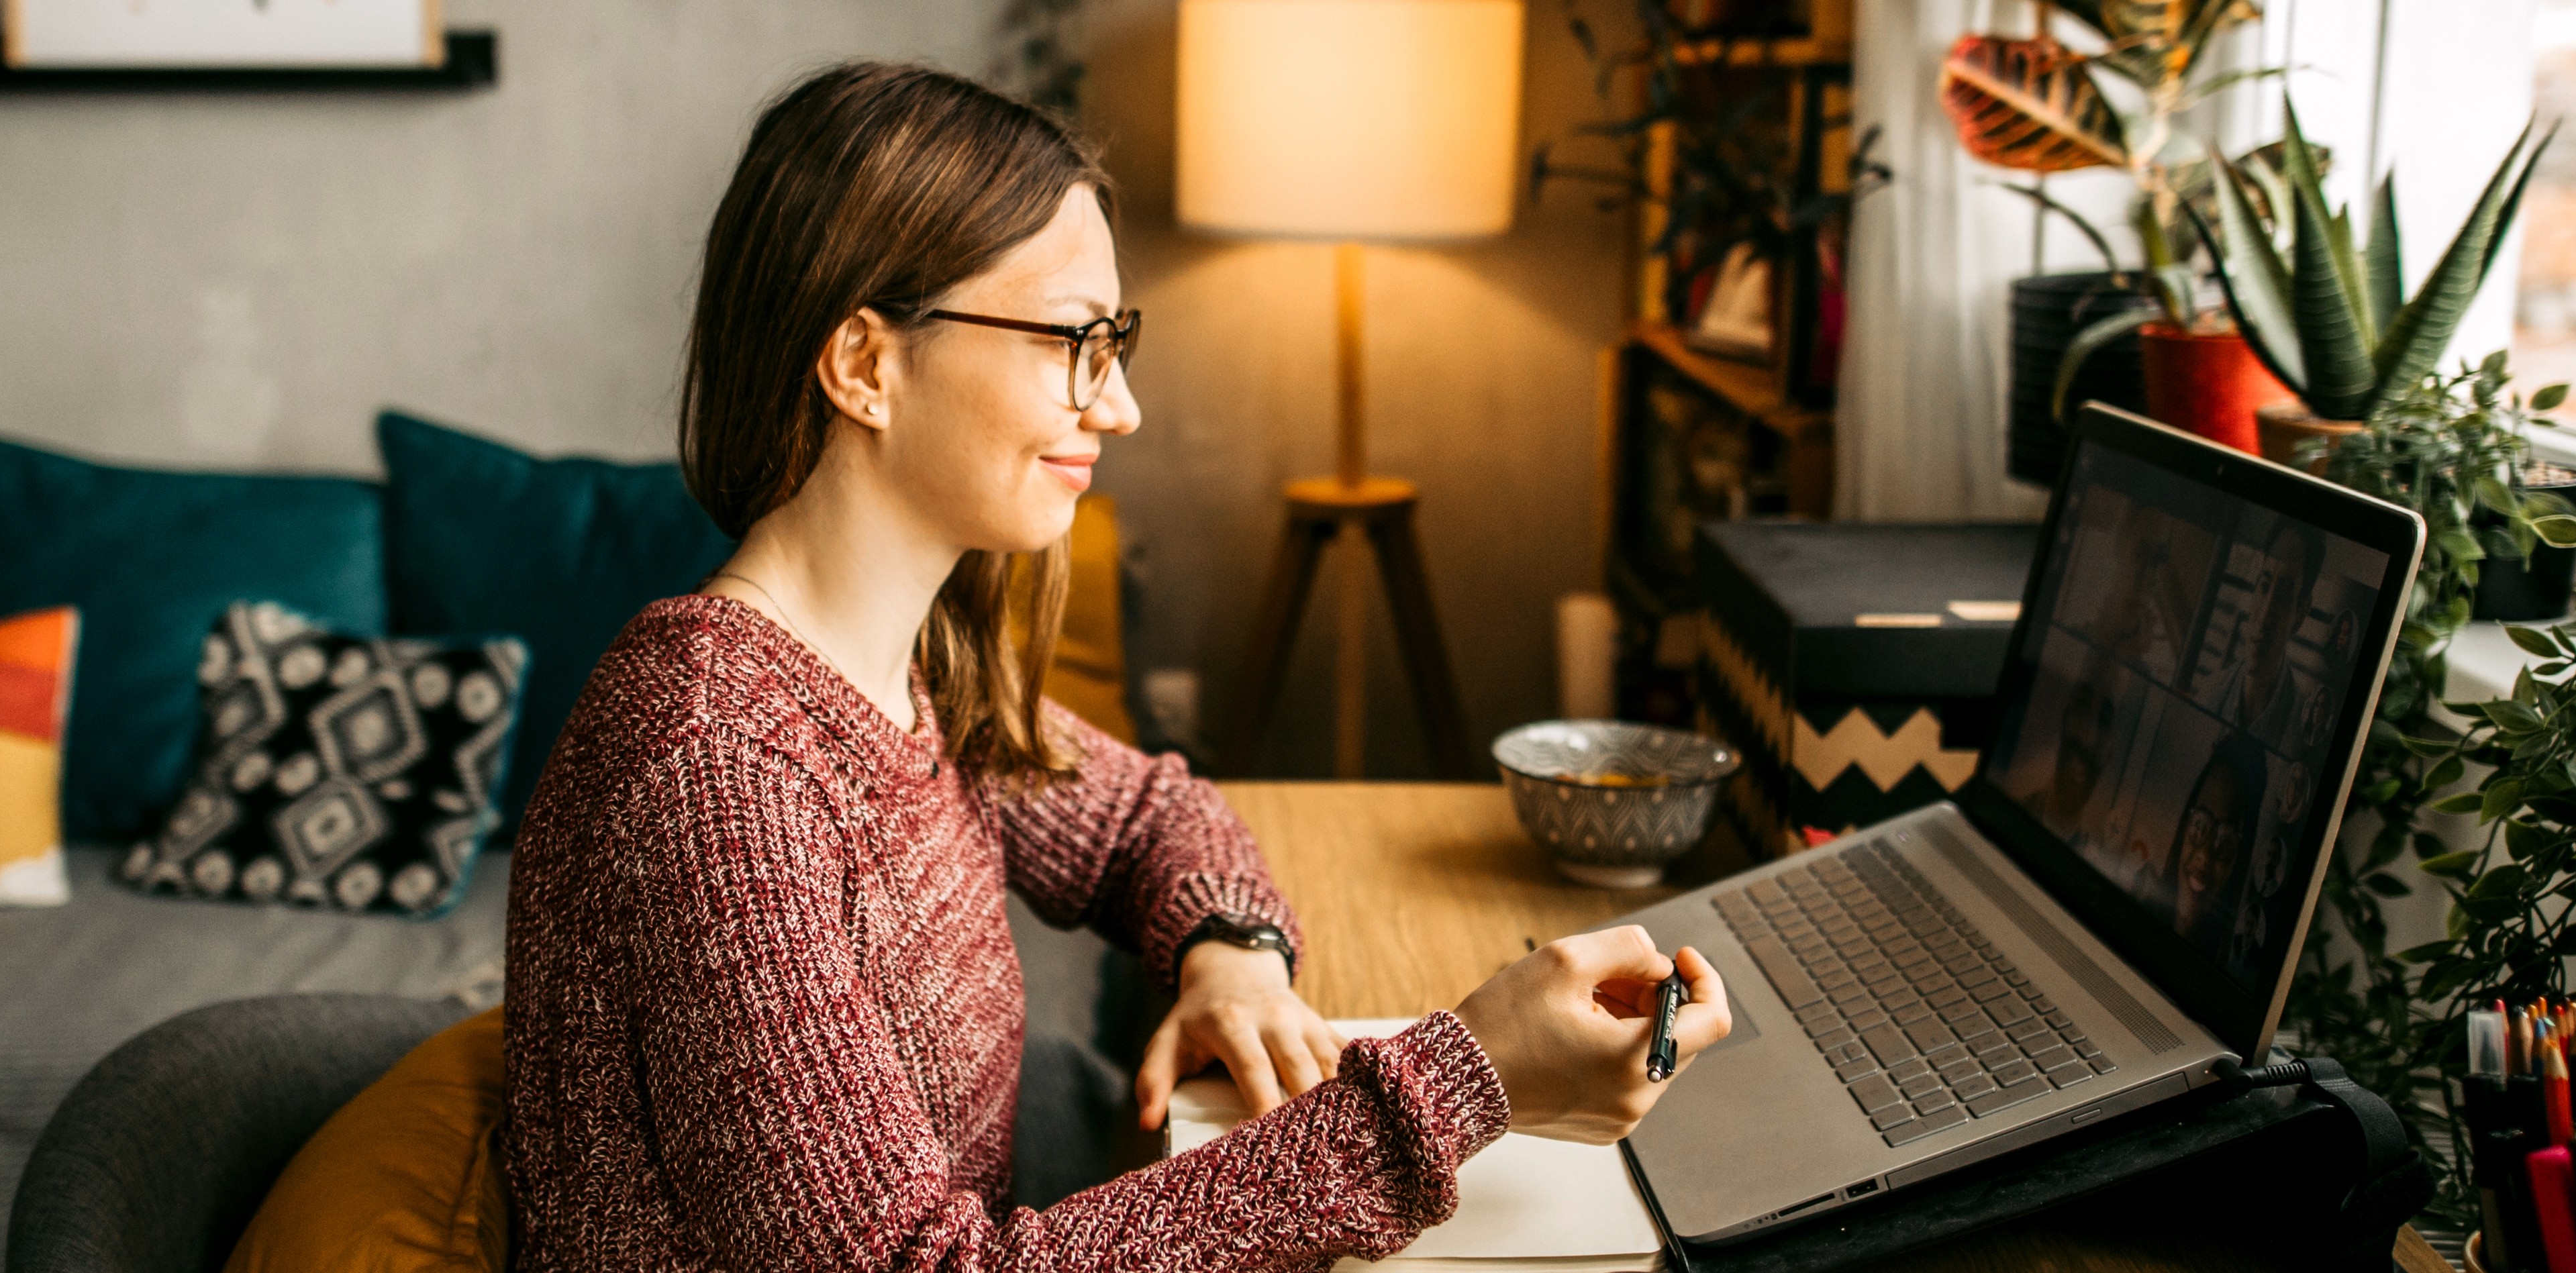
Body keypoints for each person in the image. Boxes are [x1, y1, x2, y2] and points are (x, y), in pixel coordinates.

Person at [500, 62, 1734, 1272]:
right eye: (1074, 341)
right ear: (866, 364)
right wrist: (1466, 1077)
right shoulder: (717, 763)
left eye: (1116, 340)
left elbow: (1151, 814)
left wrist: (1233, 953)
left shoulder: (908, 666)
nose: (1123, 404)